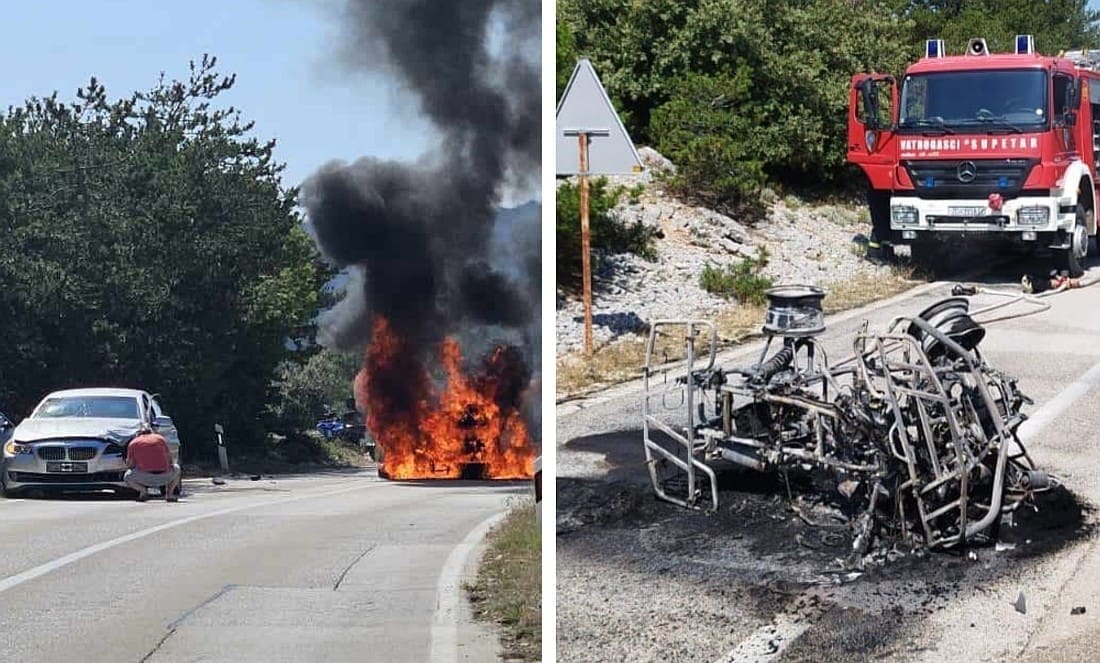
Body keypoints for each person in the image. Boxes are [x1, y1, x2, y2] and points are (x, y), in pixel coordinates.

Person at [125, 424, 181, 502]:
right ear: (151, 432)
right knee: (177, 468)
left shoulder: (133, 443)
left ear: (138, 434)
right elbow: (170, 460)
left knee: (127, 476)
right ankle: (169, 494)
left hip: (144, 477)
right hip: (165, 477)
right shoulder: (160, 439)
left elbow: (129, 464)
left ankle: (143, 491)